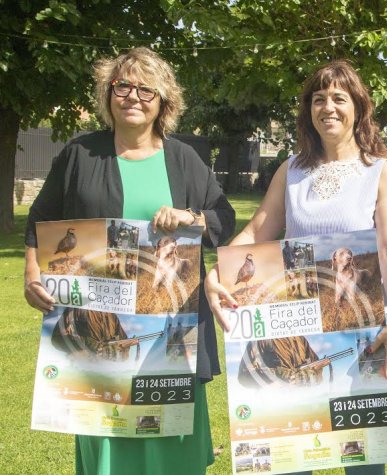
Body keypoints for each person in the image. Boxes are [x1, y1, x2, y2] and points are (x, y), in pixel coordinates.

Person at [23, 47, 235, 475]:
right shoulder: (80, 154)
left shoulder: (184, 159)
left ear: (163, 101)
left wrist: (190, 217)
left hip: (170, 329)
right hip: (96, 328)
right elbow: (41, 218)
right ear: (108, 94)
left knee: (172, 444)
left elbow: (223, 219)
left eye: (145, 89)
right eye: (122, 87)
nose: (133, 97)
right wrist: (32, 272)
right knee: (106, 437)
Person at [204, 60, 387, 475]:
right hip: (293, 327)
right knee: (292, 452)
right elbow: (257, 231)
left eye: (339, 98)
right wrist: (216, 272)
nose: (327, 107)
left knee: (362, 457)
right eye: (318, 99)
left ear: (358, 108)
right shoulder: (291, 170)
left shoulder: (381, 172)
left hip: (359, 328)